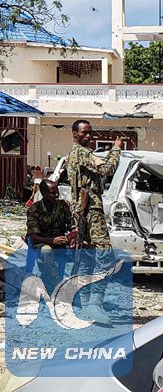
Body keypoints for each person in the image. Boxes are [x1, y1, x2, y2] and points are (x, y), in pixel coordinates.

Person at [65, 119, 122, 324]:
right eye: (84, 133)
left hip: (81, 210)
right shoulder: (82, 153)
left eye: (90, 132)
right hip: (91, 209)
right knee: (105, 255)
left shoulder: (75, 154)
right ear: (75, 134)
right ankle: (94, 303)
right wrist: (116, 149)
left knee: (87, 257)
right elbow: (107, 169)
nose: (88, 136)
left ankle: (84, 301)